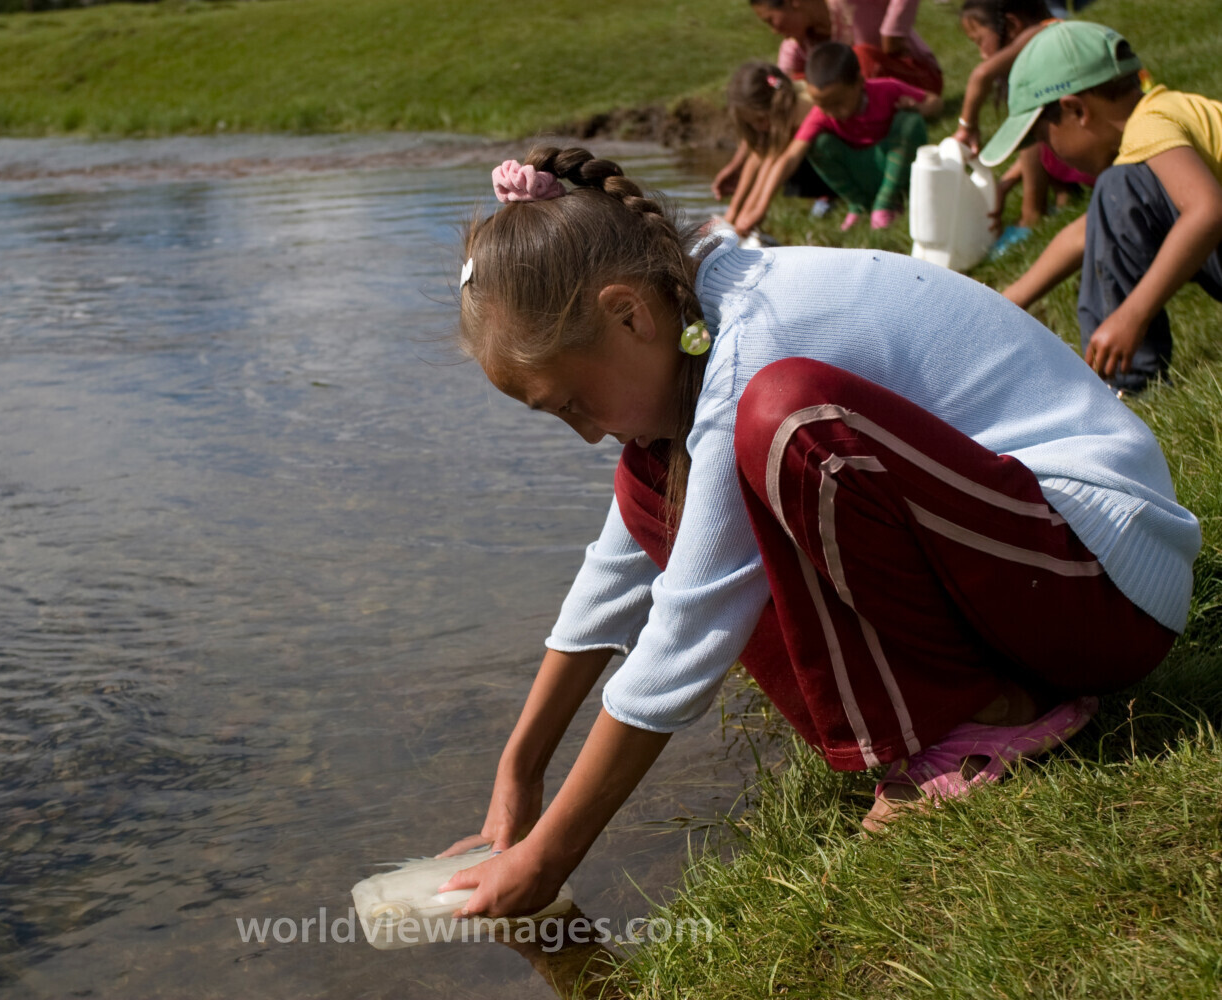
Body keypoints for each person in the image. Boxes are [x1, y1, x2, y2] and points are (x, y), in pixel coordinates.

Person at [436, 146, 1198, 920]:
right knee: (650, 485)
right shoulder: (695, 320)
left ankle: (994, 717)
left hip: (1106, 587)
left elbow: (685, 627)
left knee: (790, 420)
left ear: (627, 312)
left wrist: (550, 855)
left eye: (571, 403)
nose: (586, 435)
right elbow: (618, 572)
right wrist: (519, 769)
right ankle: (944, 724)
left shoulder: (752, 350)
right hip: (1030, 574)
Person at [985, 22, 1222, 392]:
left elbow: (1207, 211)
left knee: (1118, 185)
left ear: (1076, 110)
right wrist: (1011, 298)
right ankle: (1118, 380)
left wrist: (1132, 314)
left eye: (1043, 138)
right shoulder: (1165, 113)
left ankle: (1125, 384)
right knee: (1117, 191)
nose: (1049, 152)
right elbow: (1091, 229)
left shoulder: (1150, 127)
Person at [732, 43, 941, 234]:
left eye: (838, 102)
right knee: (818, 144)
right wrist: (760, 208)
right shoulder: (821, 114)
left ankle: (886, 203)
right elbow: (790, 157)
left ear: (859, 82)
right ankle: (859, 205)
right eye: (822, 104)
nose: (831, 112)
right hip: (861, 172)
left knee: (910, 122)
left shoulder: (887, 89)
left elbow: (935, 101)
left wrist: (918, 108)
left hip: (894, 168)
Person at [952, 0, 1095, 257]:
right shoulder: (1049, 40)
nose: (981, 53)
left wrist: (967, 127)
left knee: (1035, 118)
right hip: (1091, 146)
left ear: (1011, 24)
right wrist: (1005, 185)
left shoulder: (1043, 32)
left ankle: (1032, 214)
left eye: (979, 41)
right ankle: (1064, 196)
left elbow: (981, 75)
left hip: (1101, 149)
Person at [710, 62, 830, 228]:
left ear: (775, 107)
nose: (758, 127)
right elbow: (757, 155)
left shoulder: (800, 110)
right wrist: (732, 212)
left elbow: (775, 161)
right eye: (751, 123)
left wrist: (755, 211)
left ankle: (828, 197)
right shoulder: (778, 98)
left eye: (760, 120)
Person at [749, 0, 944, 96]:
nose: (774, 31)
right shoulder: (795, 47)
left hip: (919, 81)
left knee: (860, 58)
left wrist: (893, 32)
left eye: (771, 20)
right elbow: (780, 89)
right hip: (868, 98)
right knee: (796, 82)